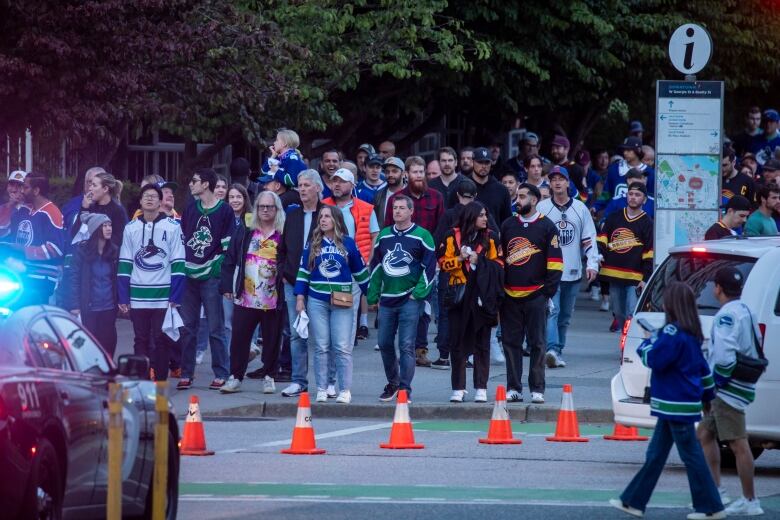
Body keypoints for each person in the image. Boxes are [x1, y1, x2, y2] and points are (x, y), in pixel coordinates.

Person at [610, 282, 724, 520]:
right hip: (679, 404)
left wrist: (646, 342)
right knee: (656, 456)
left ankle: (710, 506)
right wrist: (708, 397)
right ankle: (633, 501)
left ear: (672, 305)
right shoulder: (691, 334)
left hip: (674, 404)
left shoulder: (672, 333)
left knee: (690, 456)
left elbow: (654, 359)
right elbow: (703, 371)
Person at [697, 267, 765, 517]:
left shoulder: (725, 316)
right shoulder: (746, 310)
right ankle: (717, 491)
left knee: (738, 443)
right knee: (704, 434)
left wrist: (716, 383)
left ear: (718, 288)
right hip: (740, 385)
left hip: (728, 390)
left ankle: (750, 500)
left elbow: (725, 356)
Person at [294, 206, 369, 403]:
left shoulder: (348, 244)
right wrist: (300, 297)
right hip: (317, 300)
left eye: (327, 216)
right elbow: (303, 272)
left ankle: (344, 389)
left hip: (342, 300)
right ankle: (322, 388)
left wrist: (373, 295)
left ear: (336, 220)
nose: (323, 220)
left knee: (342, 346)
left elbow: (361, 274)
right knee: (321, 345)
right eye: (321, 217)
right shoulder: (312, 244)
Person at [368, 195, 436, 401]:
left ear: (411, 211)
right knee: (385, 342)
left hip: (410, 300)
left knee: (406, 344)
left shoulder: (423, 236)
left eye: (401, 208)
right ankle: (393, 383)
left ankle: (405, 388)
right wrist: (373, 294)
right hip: (387, 300)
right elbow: (377, 266)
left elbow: (430, 268)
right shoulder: (384, 236)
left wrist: (418, 294)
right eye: (394, 208)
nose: (397, 211)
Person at [500, 183, 562, 404]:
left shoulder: (547, 227)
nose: (518, 200)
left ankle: (537, 388)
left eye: (523, 196)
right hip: (510, 296)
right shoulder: (507, 225)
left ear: (534, 200)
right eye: (517, 196)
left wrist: (547, 293)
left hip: (536, 295)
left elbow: (555, 264)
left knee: (537, 344)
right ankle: (514, 388)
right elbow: (499, 260)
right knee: (510, 343)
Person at [219, 191, 286, 394]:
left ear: (277, 210)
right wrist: (227, 287)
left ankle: (269, 376)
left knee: (272, 339)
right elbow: (230, 259)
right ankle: (235, 377)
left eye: (270, 207)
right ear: (256, 209)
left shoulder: (282, 233)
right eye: (261, 207)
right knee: (239, 338)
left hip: (272, 298)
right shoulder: (246, 232)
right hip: (246, 297)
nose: (265, 210)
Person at [118, 184, 185, 379]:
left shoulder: (173, 227)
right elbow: (124, 263)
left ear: (160, 201)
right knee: (140, 339)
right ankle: (142, 381)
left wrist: (176, 296)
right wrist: (123, 296)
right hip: (137, 294)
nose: (149, 199)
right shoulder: (130, 228)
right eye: (146, 196)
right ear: (140, 201)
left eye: (154, 196)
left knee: (161, 340)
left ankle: (160, 384)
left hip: (163, 295)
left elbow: (179, 262)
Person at [177, 168, 236, 390]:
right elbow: (183, 237)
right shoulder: (191, 208)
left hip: (211, 276)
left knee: (215, 327)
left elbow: (227, 245)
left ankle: (222, 372)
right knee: (188, 327)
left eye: (194, 181)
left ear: (205, 184)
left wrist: (216, 270)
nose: (191, 184)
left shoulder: (225, 211)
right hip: (189, 274)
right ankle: (186, 373)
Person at [438, 202, 502, 403]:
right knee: (456, 342)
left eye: (486, 214)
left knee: (482, 342)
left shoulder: (492, 237)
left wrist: (478, 260)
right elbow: (441, 262)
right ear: (471, 216)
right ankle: (458, 387)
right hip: (459, 294)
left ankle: (481, 387)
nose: (485, 218)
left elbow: (499, 265)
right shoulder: (450, 235)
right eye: (481, 215)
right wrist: (459, 259)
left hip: (482, 296)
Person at [383, 156, 444, 366]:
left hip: (427, 260)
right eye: (415, 172)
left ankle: (420, 349)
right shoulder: (397, 199)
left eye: (422, 172)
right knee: (403, 305)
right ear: (406, 174)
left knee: (424, 307)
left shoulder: (436, 197)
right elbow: (387, 230)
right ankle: (404, 347)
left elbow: (442, 229)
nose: (419, 176)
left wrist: (435, 257)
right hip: (402, 263)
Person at [537, 166, 599, 369]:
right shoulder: (542, 208)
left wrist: (592, 264)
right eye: (553, 179)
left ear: (567, 182)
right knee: (552, 312)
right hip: (550, 272)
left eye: (560, 179)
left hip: (573, 270)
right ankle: (552, 349)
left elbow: (589, 239)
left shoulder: (580, 209)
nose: (557, 183)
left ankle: (558, 350)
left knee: (565, 316)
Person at [322, 167, 379, 343]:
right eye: (334, 181)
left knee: (349, 306)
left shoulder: (366, 208)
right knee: (327, 304)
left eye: (341, 181)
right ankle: (333, 341)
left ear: (352, 184)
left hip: (355, 265)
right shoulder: (324, 205)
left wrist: (368, 260)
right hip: (328, 264)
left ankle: (346, 342)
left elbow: (374, 234)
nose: (337, 184)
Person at [1, 172, 64, 307]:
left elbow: (56, 248)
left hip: (42, 278)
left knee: (32, 321)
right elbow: (2, 231)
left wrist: (25, 250)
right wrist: (10, 205)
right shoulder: (23, 209)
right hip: (20, 274)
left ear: (36, 190)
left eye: (25, 187)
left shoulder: (52, 212)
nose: (21, 191)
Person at [597, 183, 654, 330]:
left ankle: (628, 346)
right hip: (613, 274)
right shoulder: (613, 217)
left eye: (637, 195)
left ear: (645, 200)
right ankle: (623, 344)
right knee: (619, 313)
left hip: (635, 277)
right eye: (631, 194)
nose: (633, 197)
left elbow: (649, 252)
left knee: (631, 313)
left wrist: (645, 278)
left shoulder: (647, 222)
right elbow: (602, 238)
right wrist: (599, 255)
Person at [64, 213, 119, 356]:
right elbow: (73, 279)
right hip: (89, 308)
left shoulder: (114, 252)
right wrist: (74, 305)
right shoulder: (82, 251)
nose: (109, 229)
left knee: (108, 345)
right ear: (95, 229)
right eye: (104, 226)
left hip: (109, 307)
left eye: (110, 225)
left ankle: (107, 375)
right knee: (90, 346)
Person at [450, 147, 512, 225]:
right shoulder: (461, 187)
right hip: (467, 235)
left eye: (487, 163)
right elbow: (451, 216)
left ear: (491, 164)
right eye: (480, 162)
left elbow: (507, 221)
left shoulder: (501, 190)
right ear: (472, 162)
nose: (483, 166)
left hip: (494, 235)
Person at [71, 171, 128, 249]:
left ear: (105, 189)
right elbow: (74, 234)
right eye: (90, 185)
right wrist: (84, 208)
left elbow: (118, 240)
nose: (90, 188)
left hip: (108, 258)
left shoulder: (118, 210)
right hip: (87, 257)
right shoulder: (90, 207)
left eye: (94, 185)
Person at [597, 136, 655, 212]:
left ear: (638, 150)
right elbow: (606, 193)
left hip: (640, 217)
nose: (625, 153)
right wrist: (596, 206)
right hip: (616, 215)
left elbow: (651, 197)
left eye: (628, 150)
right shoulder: (614, 169)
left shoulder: (649, 173)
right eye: (624, 150)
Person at [373, 156, 406, 225]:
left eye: (394, 171)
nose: (390, 175)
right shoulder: (378, 195)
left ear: (403, 174)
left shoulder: (411, 193)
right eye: (387, 172)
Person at [0, 170, 26, 238]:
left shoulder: (31, 209)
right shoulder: (2, 208)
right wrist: (9, 206)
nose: (14, 190)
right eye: (11, 185)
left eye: (19, 186)